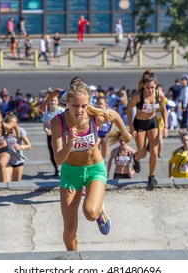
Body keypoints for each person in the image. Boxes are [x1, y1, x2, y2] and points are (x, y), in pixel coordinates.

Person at [50, 80, 132, 251]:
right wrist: (70, 143)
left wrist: (124, 134)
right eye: (75, 106)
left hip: (95, 169)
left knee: (90, 213)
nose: (79, 110)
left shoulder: (95, 116)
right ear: (67, 103)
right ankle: (73, 260)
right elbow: (58, 159)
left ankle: (100, 211)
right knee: (70, 228)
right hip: (71, 174)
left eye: (83, 106)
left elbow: (115, 115)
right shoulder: (58, 122)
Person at [127, 69, 166, 189]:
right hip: (139, 124)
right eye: (148, 87)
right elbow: (128, 110)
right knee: (142, 153)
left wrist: (166, 126)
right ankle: (136, 158)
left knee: (154, 151)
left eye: (152, 87)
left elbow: (164, 110)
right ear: (144, 86)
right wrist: (132, 127)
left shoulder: (159, 95)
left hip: (152, 122)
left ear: (155, 86)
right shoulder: (138, 95)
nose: (150, 90)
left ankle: (151, 176)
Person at [41, 96, 65, 177]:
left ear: (58, 102)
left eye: (54, 100)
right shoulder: (46, 114)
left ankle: (64, 168)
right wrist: (47, 131)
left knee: (63, 151)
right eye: (51, 100)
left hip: (61, 135)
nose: (53, 102)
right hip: (51, 136)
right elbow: (44, 126)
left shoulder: (61, 111)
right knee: (52, 153)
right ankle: (56, 169)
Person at [4, 112, 31, 182]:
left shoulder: (20, 131)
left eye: (15, 124)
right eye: (11, 124)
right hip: (7, 160)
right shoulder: (3, 132)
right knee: (6, 181)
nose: (13, 127)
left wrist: (21, 147)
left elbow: (29, 146)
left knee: (16, 183)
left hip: (18, 160)